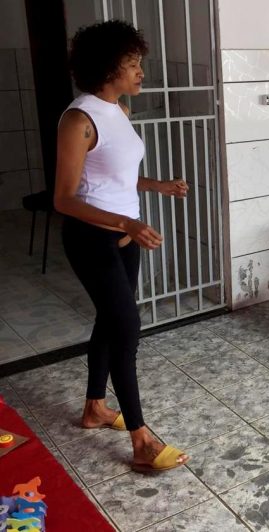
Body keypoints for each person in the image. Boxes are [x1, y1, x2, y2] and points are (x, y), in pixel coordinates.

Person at [54, 20, 189, 471]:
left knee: (110, 322)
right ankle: (141, 440)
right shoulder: (78, 120)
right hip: (91, 238)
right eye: (132, 63)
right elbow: (64, 199)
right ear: (107, 67)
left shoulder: (120, 111)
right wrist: (125, 221)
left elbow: (117, 176)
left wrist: (157, 186)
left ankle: (94, 407)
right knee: (126, 329)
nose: (140, 71)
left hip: (125, 236)